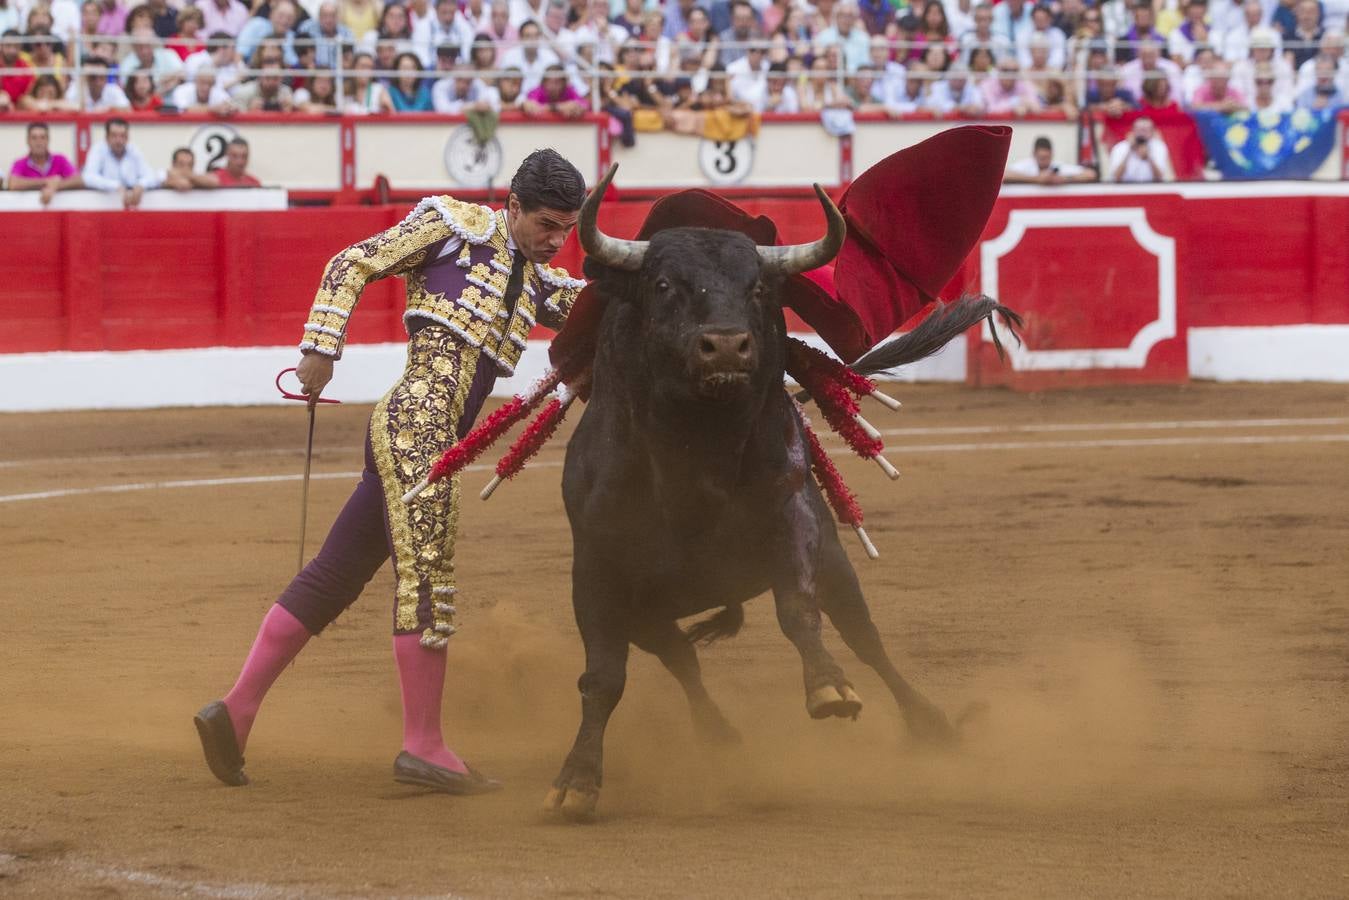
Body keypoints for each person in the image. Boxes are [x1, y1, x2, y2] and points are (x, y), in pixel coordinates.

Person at [193, 149, 589, 795]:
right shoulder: (453, 227)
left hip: (431, 435)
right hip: (417, 427)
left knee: (336, 573)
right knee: (426, 573)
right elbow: (349, 262)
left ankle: (233, 712)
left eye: (566, 229)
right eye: (546, 224)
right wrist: (320, 348)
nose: (556, 241)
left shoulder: (537, 279)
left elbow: (593, 306)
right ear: (512, 205)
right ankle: (423, 744)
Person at [82, 117, 162, 207]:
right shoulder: (98, 150)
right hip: (102, 206)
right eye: (114, 136)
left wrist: (141, 185)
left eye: (122, 136)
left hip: (132, 204)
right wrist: (116, 186)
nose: (118, 140)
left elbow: (151, 175)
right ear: (107, 138)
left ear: (127, 138)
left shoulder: (133, 150)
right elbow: (88, 177)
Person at [7, 121, 81, 204]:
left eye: (42, 137)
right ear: (28, 141)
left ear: (48, 140)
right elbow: (13, 184)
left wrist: (54, 187)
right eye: (34, 138)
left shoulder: (60, 159)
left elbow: (78, 180)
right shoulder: (20, 163)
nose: (38, 142)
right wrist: (47, 181)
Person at [1106, 116, 1174, 182]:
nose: (1142, 133)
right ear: (1133, 130)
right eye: (1139, 129)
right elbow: (1116, 177)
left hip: (1151, 188)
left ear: (1152, 132)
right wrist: (1129, 151)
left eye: (1145, 130)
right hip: (1125, 188)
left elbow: (1159, 178)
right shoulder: (1120, 147)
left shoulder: (1159, 147)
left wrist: (1149, 157)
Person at [1004, 135, 1095, 183]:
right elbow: (1003, 175)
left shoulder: (1056, 166)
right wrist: (1037, 179)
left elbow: (1090, 174)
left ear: (1052, 154)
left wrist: (1064, 179)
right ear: (1034, 154)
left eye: (1047, 157)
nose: (1044, 161)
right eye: (1041, 158)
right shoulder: (1027, 165)